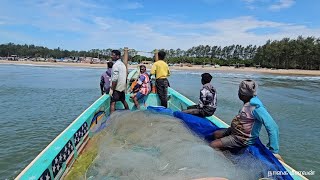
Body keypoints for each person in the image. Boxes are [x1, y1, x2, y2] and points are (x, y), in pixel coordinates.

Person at [210, 80, 282, 159]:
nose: (238, 93)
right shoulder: (248, 103)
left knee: (212, 145)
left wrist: (273, 150)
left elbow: (273, 127)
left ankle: (227, 159)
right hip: (235, 132)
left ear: (243, 95)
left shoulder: (256, 108)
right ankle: (226, 148)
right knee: (216, 134)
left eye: (239, 91)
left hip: (242, 138)